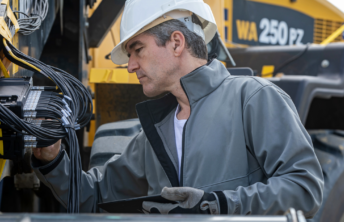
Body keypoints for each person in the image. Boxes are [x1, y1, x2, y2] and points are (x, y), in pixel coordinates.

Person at [32, 0, 324, 216]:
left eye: (138, 50)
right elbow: (93, 196)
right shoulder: (155, 133)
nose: (131, 65)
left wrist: (220, 204)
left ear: (176, 42)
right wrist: (53, 158)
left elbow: (305, 188)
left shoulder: (253, 98)